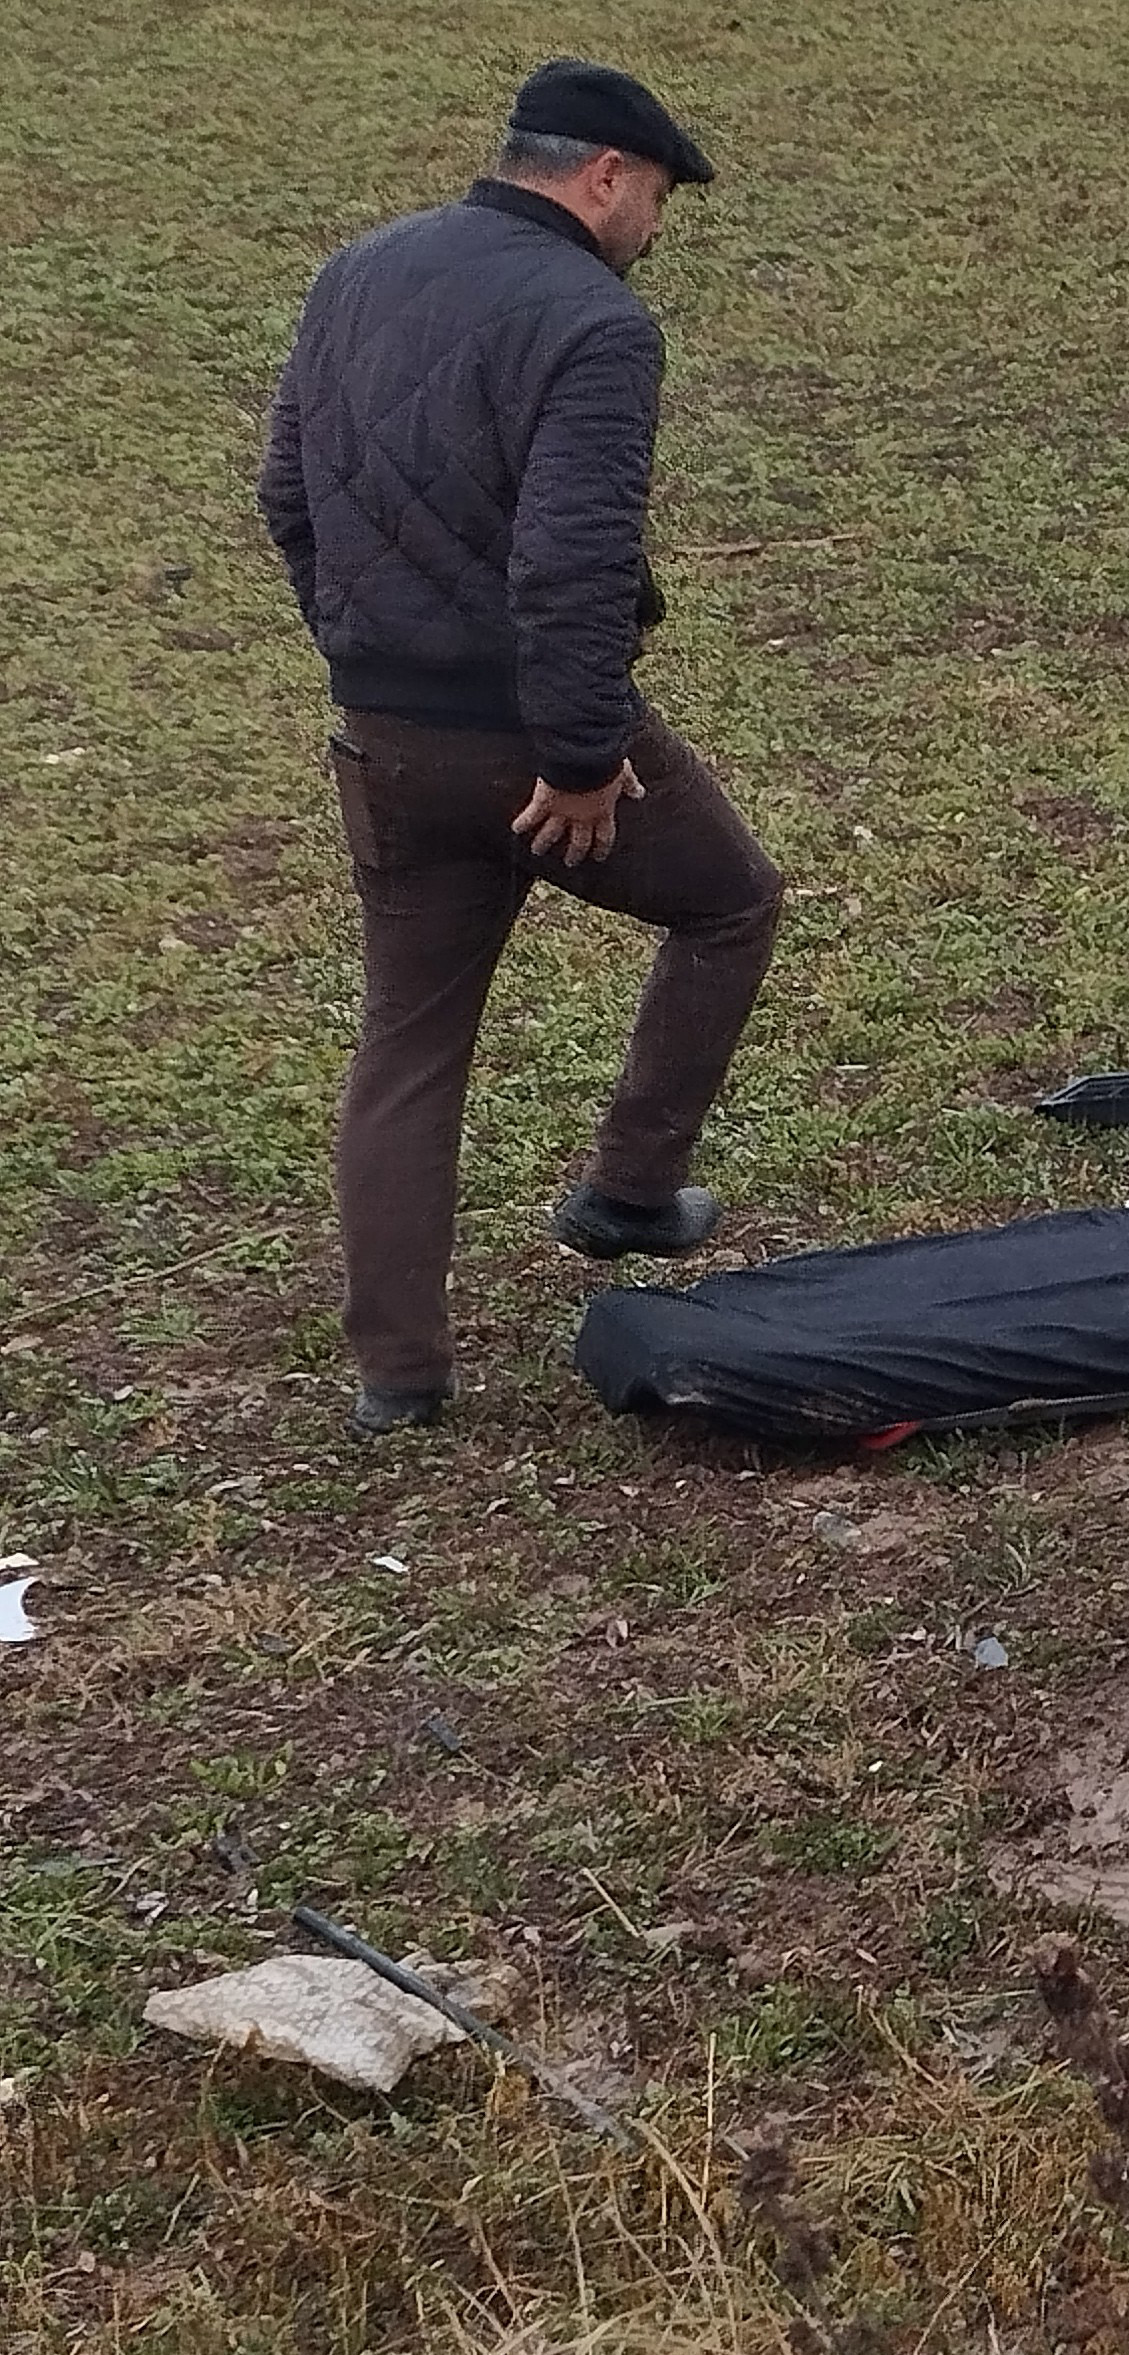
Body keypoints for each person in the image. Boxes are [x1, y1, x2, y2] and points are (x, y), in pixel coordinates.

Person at [259, 59, 782, 1436]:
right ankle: (628, 1190)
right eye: (658, 197)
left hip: (384, 737)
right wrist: (577, 755)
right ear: (606, 174)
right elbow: (574, 562)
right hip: (533, 737)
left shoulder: (353, 273)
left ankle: (399, 1376)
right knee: (731, 902)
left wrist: (366, 655)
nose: (655, 229)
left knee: (409, 1043)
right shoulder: (592, 323)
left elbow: (286, 490)